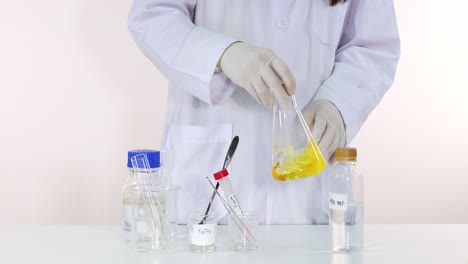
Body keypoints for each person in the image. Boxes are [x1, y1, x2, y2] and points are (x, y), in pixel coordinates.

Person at [127, 0, 400, 224]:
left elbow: (373, 46)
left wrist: (338, 104)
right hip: (210, 188)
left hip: (307, 196)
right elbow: (153, 14)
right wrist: (222, 55)